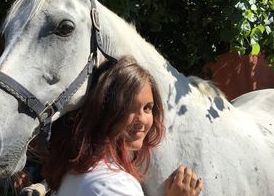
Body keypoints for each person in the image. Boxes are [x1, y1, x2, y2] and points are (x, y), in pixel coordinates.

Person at [41, 56, 203, 196]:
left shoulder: (74, 171)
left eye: (147, 108)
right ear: (104, 112)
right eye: (128, 108)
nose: (142, 119)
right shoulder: (114, 186)